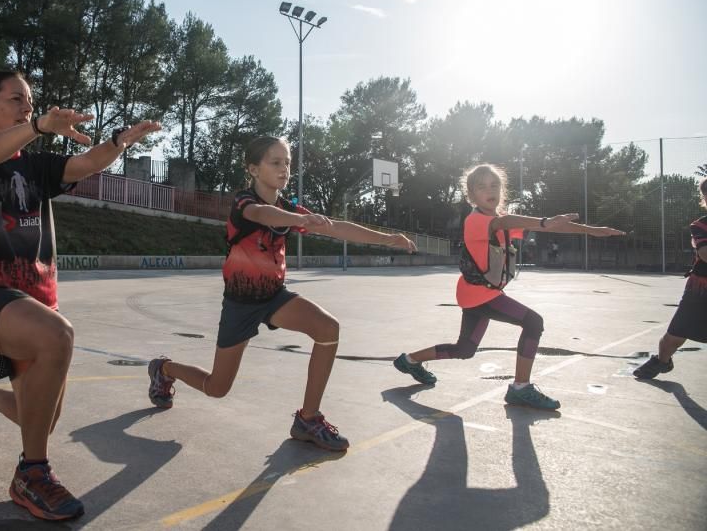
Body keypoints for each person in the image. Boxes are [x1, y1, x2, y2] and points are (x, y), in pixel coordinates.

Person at [0, 70, 160, 521]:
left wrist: (121, 140)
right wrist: (39, 124)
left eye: (30, 100)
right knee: (58, 336)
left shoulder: (36, 167)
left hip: (37, 297)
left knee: (33, 415)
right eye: (16, 98)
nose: (26, 105)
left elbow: (85, 164)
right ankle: (32, 473)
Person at [145, 135, 417, 451]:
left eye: (287, 162)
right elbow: (263, 215)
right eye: (275, 162)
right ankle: (163, 369)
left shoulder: (288, 209)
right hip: (241, 303)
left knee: (328, 328)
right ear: (253, 169)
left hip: (274, 296)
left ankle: (308, 419)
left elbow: (334, 226)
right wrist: (300, 219)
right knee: (217, 387)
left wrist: (387, 239)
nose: (285, 168)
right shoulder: (243, 203)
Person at [393, 164, 624, 410]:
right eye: (481, 187)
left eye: (494, 185)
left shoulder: (500, 220)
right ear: (471, 196)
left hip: (478, 294)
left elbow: (543, 225)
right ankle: (520, 387)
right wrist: (546, 221)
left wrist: (591, 230)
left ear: (502, 190)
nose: (489, 190)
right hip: (480, 295)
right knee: (533, 322)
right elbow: (509, 222)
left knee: (465, 349)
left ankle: (409, 360)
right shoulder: (477, 220)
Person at [634, 177, 707, 379]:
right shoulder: (700, 225)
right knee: (671, 339)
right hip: (700, 289)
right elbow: (704, 254)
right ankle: (662, 362)